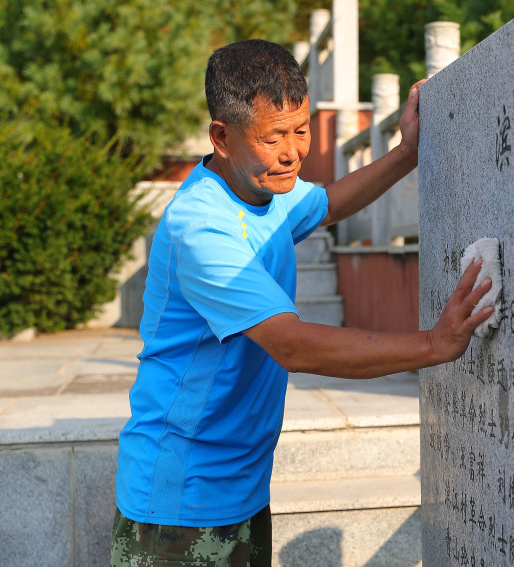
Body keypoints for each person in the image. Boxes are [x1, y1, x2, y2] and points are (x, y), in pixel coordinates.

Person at [111, 39, 492, 565]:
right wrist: (433, 344)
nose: (293, 152)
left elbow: (328, 203)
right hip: (179, 505)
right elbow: (291, 346)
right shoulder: (201, 227)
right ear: (221, 137)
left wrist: (407, 152)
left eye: (301, 130)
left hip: (241, 488)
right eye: (274, 138)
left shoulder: (267, 186)